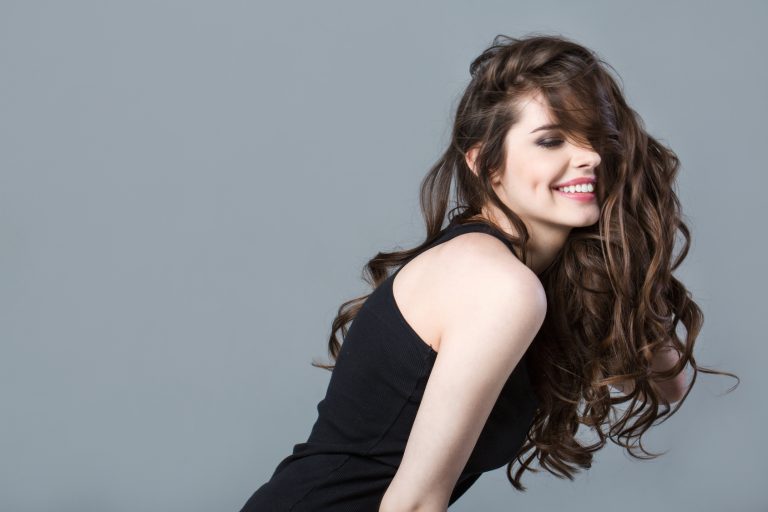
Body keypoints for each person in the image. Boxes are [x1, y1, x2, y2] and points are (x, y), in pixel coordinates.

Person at [239, 33, 738, 511]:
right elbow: (411, 504)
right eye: (551, 141)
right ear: (486, 164)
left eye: (596, 138)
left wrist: (626, 253)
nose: (589, 156)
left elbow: (667, 384)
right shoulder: (497, 285)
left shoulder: (512, 270)